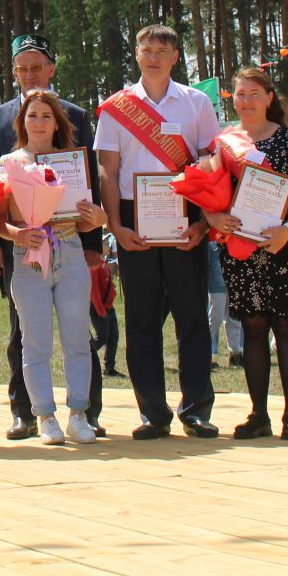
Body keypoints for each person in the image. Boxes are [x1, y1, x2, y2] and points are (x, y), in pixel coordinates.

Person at [94, 24, 220, 440]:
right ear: (135, 54)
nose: (153, 57)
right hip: (134, 215)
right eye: (146, 49)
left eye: (162, 50)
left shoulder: (197, 103)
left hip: (186, 212)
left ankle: (196, 409)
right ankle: (152, 412)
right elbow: (107, 171)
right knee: (143, 320)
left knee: (192, 317)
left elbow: (211, 165)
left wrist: (204, 221)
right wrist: (116, 225)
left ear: (175, 57)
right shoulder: (116, 107)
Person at [0, 33, 102, 440]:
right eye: (32, 117)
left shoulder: (74, 154)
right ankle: (41, 415)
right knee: (32, 340)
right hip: (27, 256)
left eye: (46, 117)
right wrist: (9, 238)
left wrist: (94, 227)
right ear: (22, 121)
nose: (39, 121)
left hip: (68, 247)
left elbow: (92, 203)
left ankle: (81, 413)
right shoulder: (7, 159)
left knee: (77, 337)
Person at [200, 67, 288, 441]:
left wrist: (287, 229)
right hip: (241, 249)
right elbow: (207, 191)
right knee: (252, 327)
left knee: (286, 325)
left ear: (269, 97)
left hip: (283, 244)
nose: (246, 101)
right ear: (231, 100)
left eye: (254, 94)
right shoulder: (222, 143)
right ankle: (258, 414)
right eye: (239, 95)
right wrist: (214, 216)